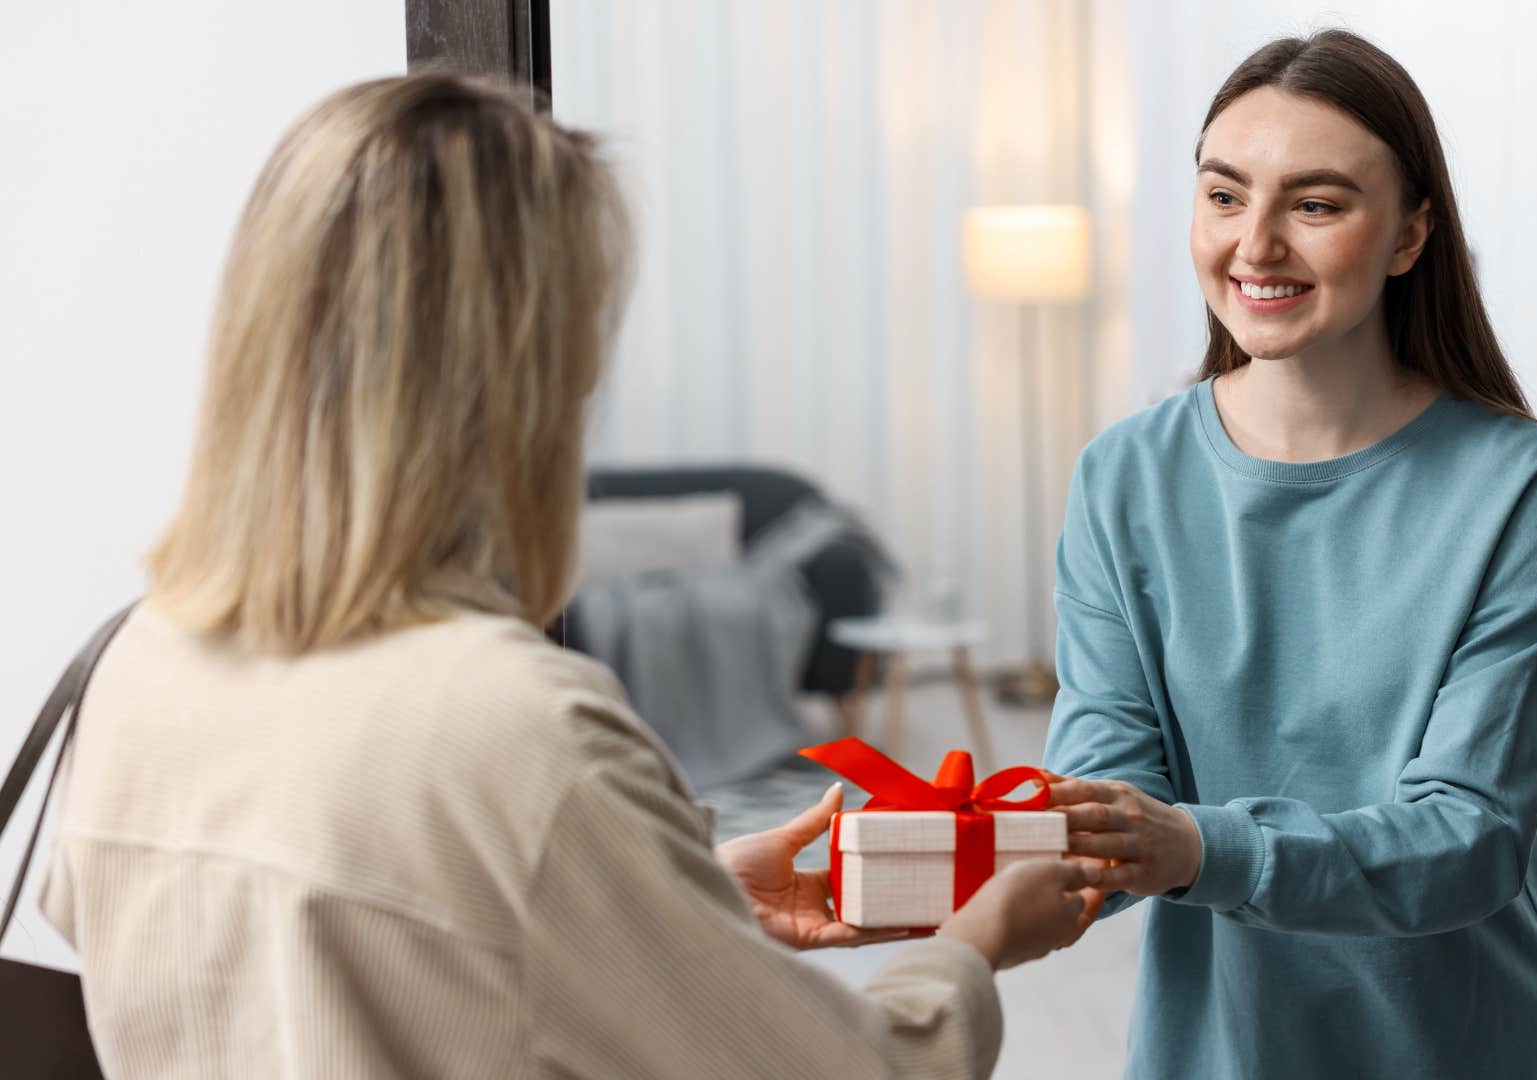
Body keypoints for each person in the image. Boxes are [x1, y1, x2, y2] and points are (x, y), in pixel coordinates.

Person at [37, 74, 1101, 1079]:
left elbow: (337, 959)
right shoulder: (518, 728)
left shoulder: (139, 663)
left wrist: (670, 906)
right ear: (522, 377)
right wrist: (967, 949)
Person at [1041, 31, 1537, 1079]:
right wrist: (936, 872)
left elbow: (1472, 836)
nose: (1254, 246)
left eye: (1315, 205)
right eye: (1223, 196)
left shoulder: (1518, 487)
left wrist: (1202, 847)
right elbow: (1105, 803)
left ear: (1408, 235)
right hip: (1220, 1054)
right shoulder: (1122, 477)